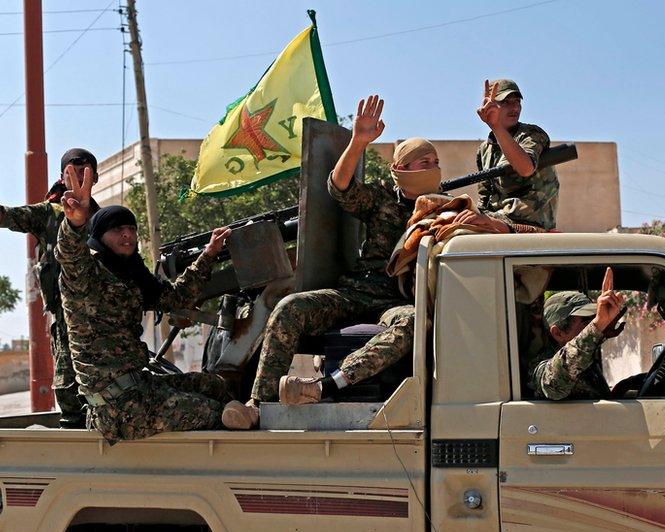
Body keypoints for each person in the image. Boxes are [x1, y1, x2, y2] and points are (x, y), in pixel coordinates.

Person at [231, 95, 444, 416]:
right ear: (400, 168)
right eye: (423, 162)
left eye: (435, 162)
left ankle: (325, 386)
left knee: (415, 322)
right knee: (290, 307)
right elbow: (339, 187)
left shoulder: (446, 209)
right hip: (356, 293)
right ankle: (258, 405)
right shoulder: (382, 199)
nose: (432, 167)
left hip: (396, 302)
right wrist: (359, 141)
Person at [55, 163, 241, 442]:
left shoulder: (133, 278)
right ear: (99, 236)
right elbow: (69, 254)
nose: (127, 234)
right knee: (214, 412)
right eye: (117, 229)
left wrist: (209, 254)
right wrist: (75, 223)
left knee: (211, 385)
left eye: (131, 228)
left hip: (140, 388)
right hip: (116, 409)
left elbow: (176, 297)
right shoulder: (85, 277)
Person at [0, 138, 99, 428]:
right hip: (66, 318)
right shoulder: (49, 214)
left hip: (102, 318)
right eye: (72, 168)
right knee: (69, 390)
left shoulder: (105, 220)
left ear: (95, 177)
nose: (79, 173)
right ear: (61, 176)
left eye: (85, 168)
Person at [452, 79, 561, 234]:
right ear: (489, 106)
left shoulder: (531, 135)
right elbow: (484, 200)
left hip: (531, 227)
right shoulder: (485, 150)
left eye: (517, 101)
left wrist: (496, 126)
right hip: (498, 222)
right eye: (506, 102)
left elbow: (525, 168)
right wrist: (475, 216)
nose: (515, 107)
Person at [528, 268, 625, 400]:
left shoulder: (584, 358)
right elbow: (554, 385)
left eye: (593, 319)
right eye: (586, 322)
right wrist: (597, 325)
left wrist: (603, 333)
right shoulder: (540, 367)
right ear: (558, 333)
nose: (592, 326)